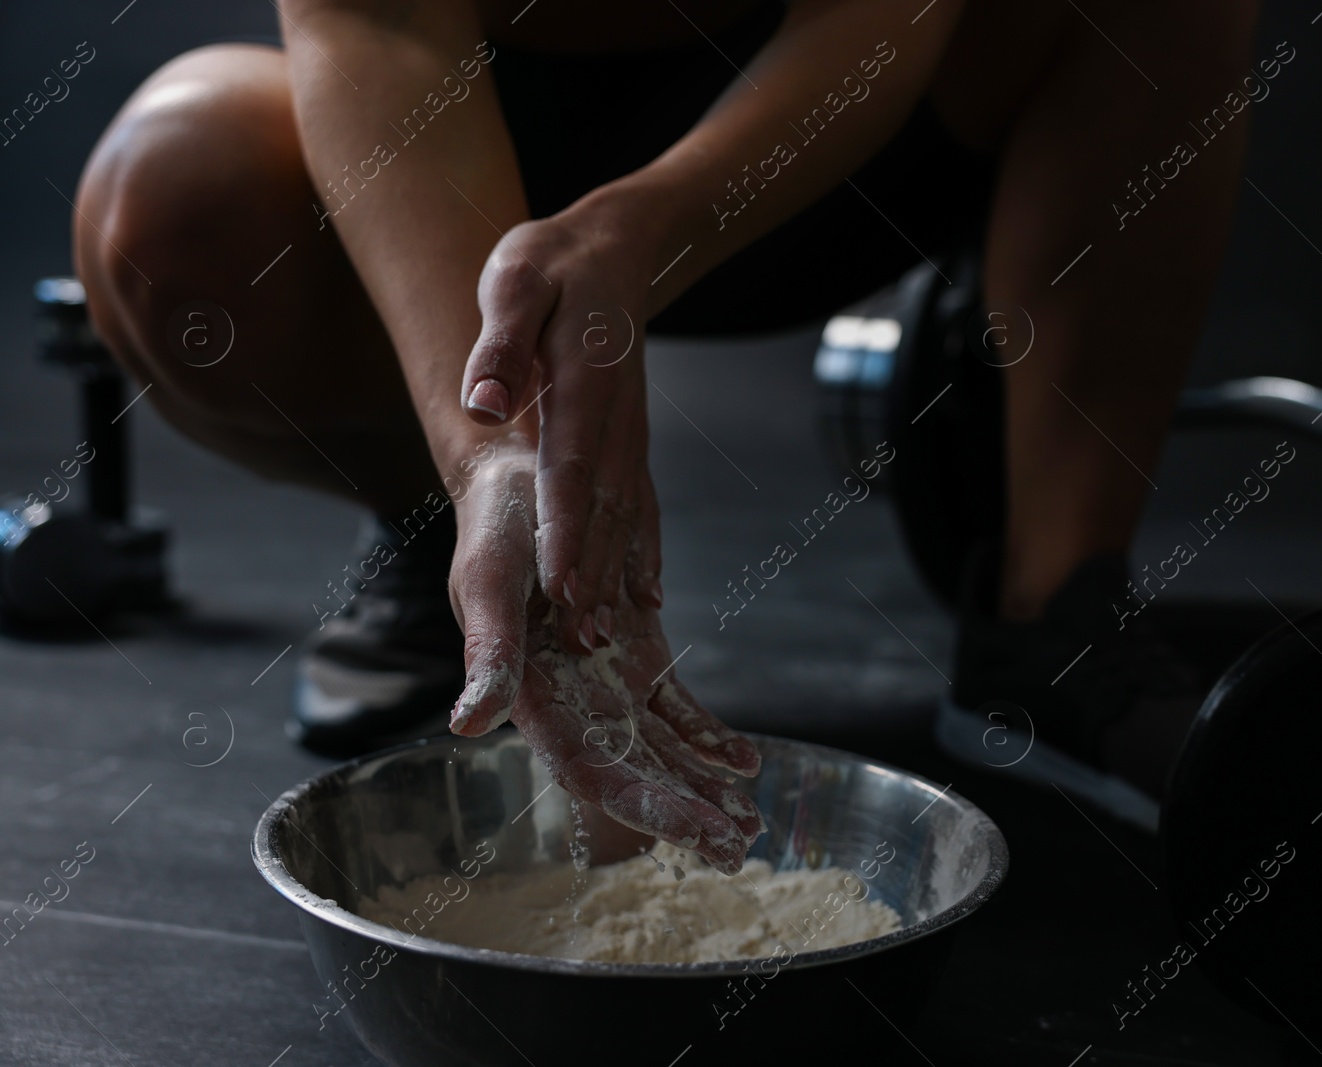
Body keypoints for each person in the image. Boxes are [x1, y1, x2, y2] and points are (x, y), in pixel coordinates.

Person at [73, 0, 1260, 873]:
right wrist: (491, 450)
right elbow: (379, 30)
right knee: (171, 187)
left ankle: (1054, 618)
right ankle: (442, 530)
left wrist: (654, 225)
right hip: (468, 133)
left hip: (835, 128)